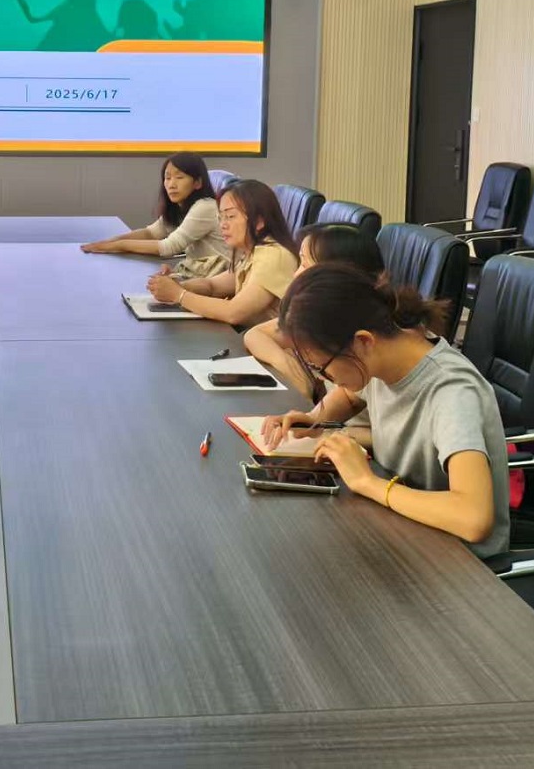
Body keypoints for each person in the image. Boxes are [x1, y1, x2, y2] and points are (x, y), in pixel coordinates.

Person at [260, 265, 509, 559]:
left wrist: (367, 482)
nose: (325, 378)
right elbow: (351, 395)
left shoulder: (451, 392)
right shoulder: (387, 353)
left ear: (363, 341)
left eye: (322, 367)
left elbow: (473, 518)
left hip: (457, 561)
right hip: (402, 528)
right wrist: (316, 418)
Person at [243, 223, 384, 400]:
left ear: (333, 276)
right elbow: (255, 335)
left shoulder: (367, 343)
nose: (295, 275)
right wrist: (289, 367)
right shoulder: (323, 316)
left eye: (305, 265)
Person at [145, 179, 298, 326]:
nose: (223, 225)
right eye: (221, 217)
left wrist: (179, 295)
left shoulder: (274, 255)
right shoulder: (252, 250)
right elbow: (212, 286)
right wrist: (176, 285)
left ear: (259, 221)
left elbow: (234, 312)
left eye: (230, 216)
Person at [82, 153, 225, 276]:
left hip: (221, 279)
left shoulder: (205, 206)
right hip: (203, 274)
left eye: (179, 177)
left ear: (198, 183)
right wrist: (109, 242)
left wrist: (118, 246)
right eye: (167, 178)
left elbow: (168, 247)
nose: (171, 184)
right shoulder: (181, 207)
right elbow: (150, 233)